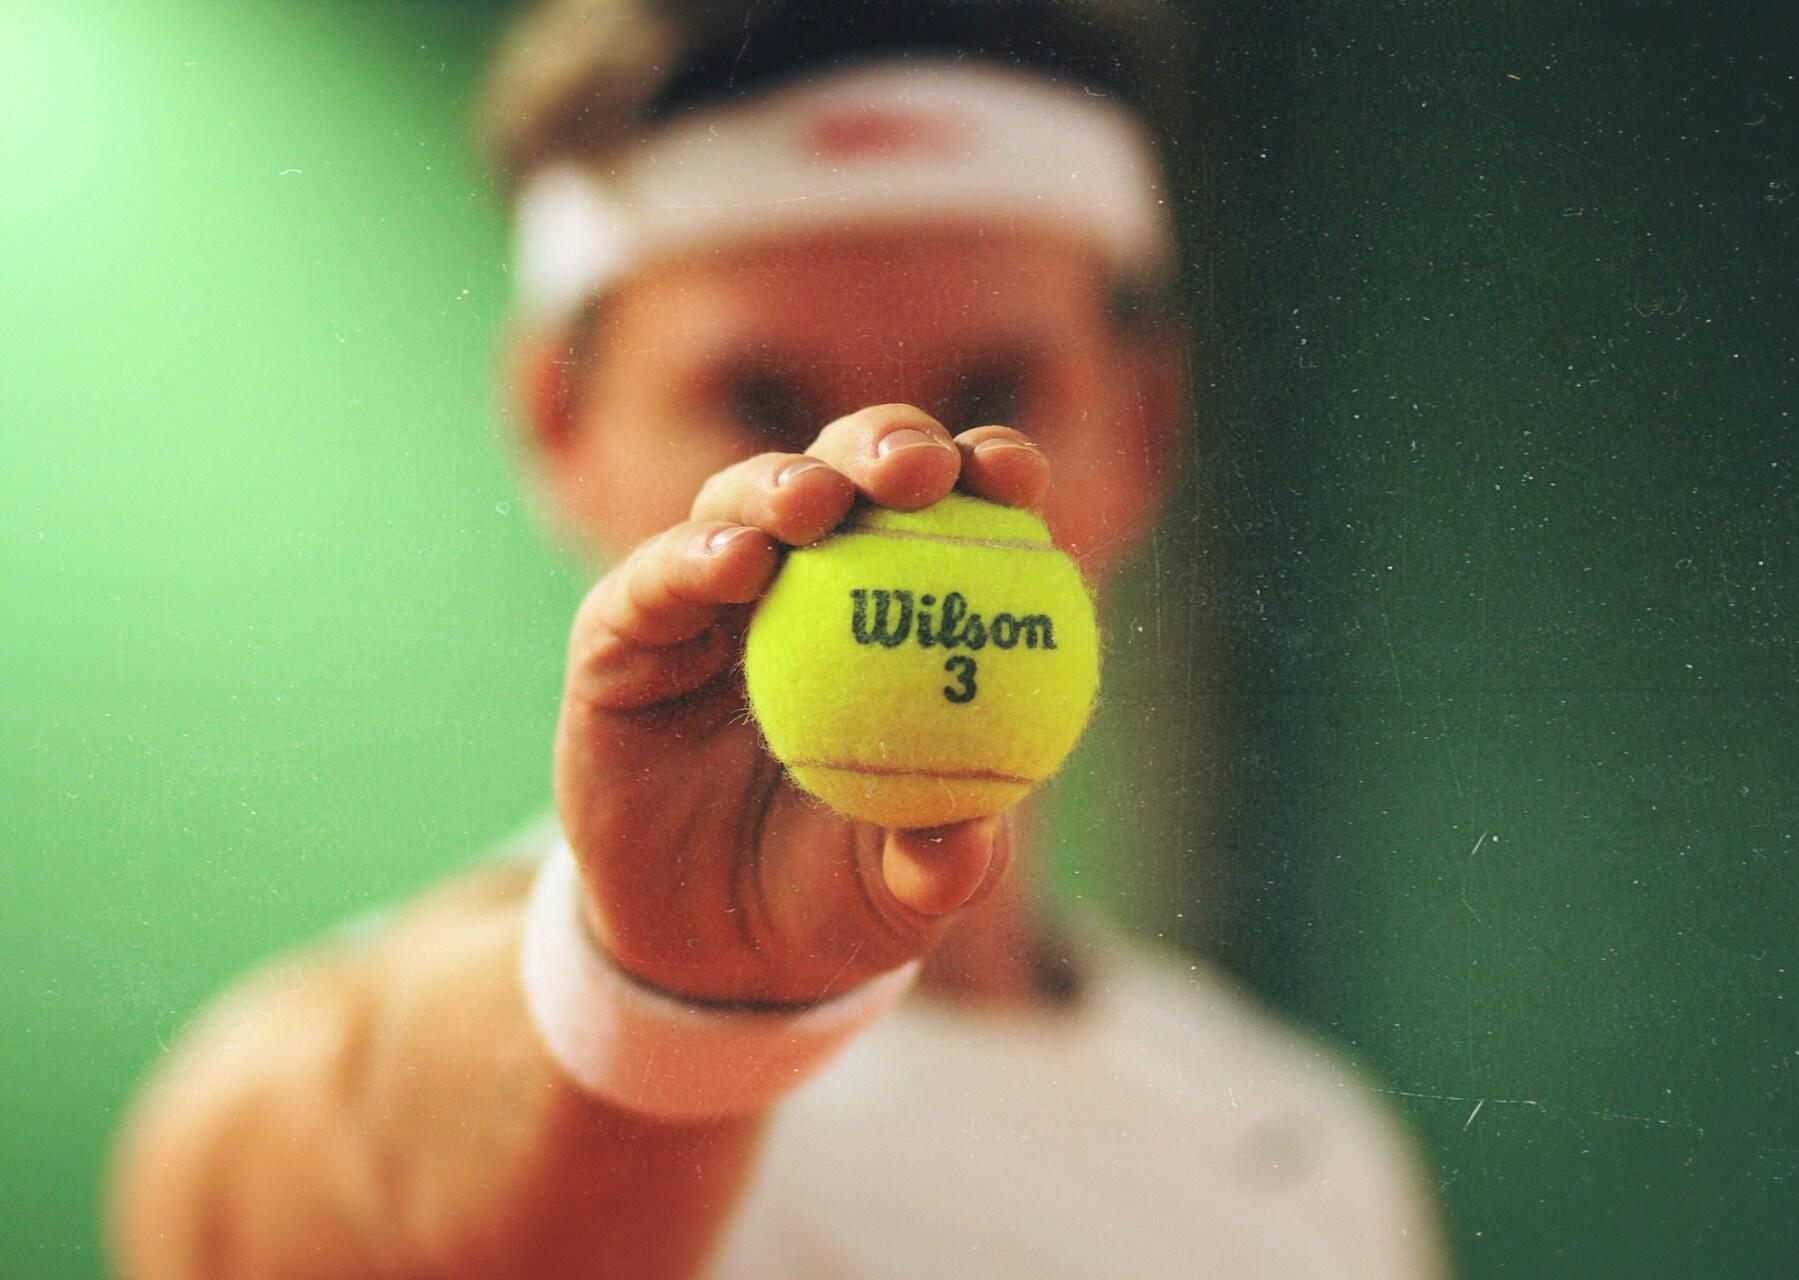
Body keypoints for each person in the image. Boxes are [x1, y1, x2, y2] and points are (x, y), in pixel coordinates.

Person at [107, 1, 1449, 1276]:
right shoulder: (335, 1082)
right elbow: (262, 1209)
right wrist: (655, 1001)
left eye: (994, 396)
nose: (888, 481)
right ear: (559, 428)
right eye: (761, 403)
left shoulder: (1316, 1152)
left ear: (1143, 427)